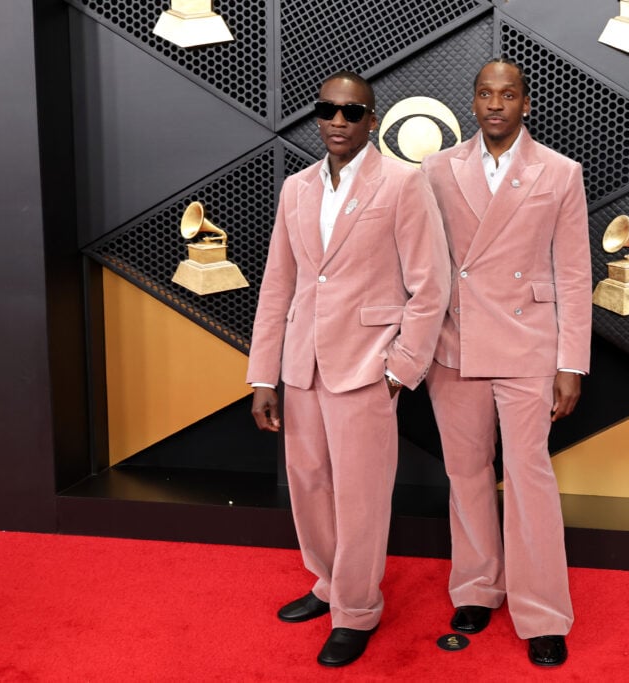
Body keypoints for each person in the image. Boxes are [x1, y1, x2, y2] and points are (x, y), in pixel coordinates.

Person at [247, 70, 450, 667]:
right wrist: (264, 375)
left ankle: (358, 610)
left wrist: (399, 369)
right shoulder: (297, 188)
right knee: (308, 484)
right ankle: (328, 586)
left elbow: (430, 286)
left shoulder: (403, 183)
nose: (338, 121)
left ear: (373, 120)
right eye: (328, 110)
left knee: (361, 495)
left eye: (351, 112)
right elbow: (278, 284)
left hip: (367, 367)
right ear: (317, 116)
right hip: (302, 364)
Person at [420, 58, 592, 666]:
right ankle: (476, 587)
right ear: (473, 102)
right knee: (465, 474)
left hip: (529, 345)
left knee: (529, 478)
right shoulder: (437, 169)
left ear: (526, 103)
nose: (497, 103)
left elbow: (573, 273)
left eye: (509, 94)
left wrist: (571, 362)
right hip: (455, 343)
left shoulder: (560, 172)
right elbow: (422, 262)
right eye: (486, 93)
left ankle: (542, 610)